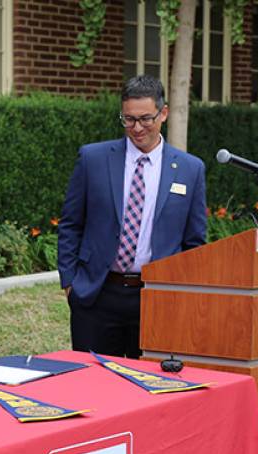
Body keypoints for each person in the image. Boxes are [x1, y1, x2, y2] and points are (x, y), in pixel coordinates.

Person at [57, 74, 207, 359]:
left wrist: (184, 294)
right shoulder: (92, 159)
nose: (137, 128)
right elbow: (71, 224)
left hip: (158, 299)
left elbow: (194, 242)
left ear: (163, 113)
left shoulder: (190, 169)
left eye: (145, 119)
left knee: (152, 382)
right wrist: (69, 282)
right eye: (128, 119)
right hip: (97, 296)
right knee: (95, 381)